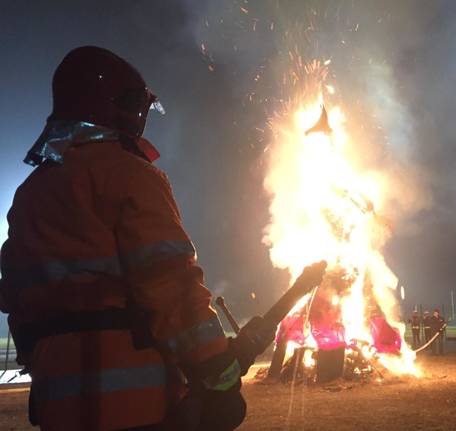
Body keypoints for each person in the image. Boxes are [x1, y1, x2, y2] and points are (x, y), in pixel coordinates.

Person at [0, 46, 326, 431]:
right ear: (117, 107)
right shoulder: (128, 175)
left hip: (58, 403)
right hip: (134, 403)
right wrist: (214, 364)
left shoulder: (31, 192)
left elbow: (16, 296)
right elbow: (170, 282)